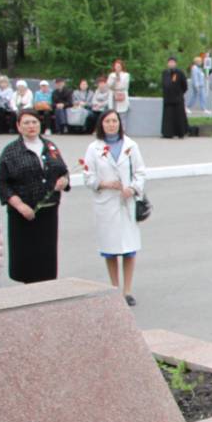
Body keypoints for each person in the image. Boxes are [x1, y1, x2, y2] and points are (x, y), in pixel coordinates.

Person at [0, 110, 70, 284]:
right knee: (27, 262)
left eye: (34, 122)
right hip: (24, 214)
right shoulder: (11, 151)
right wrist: (19, 205)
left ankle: (46, 292)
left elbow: (63, 170)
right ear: (18, 126)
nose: (31, 126)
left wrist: (64, 180)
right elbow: (1, 182)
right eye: (26, 123)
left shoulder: (50, 146)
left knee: (46, 260)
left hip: (48, 212)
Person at [80, 110, 146, 306]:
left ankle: (127, 290)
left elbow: (141, 172)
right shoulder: (94, 148)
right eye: (107, 121)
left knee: (129, 249)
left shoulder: (130, 146)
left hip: (126, 203)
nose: (111, 124)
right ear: (101, 124)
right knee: (110, 250)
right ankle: (114, 288)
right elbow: (88, 176)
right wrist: (105, 184)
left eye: (114, 121)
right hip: (106, 203)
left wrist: (132, 189)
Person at [160, 57, 189, 139]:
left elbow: (184, 85)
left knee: (179, 117)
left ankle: (180, 133)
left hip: (178, 99)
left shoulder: (180, 73)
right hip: (168, 99)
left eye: (173, 62)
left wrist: (180, 93)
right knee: (168, 118)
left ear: (175, 63)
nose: (171, 64)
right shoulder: (165, 73)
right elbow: (163, 84)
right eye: (170, 62)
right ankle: (168, 133)